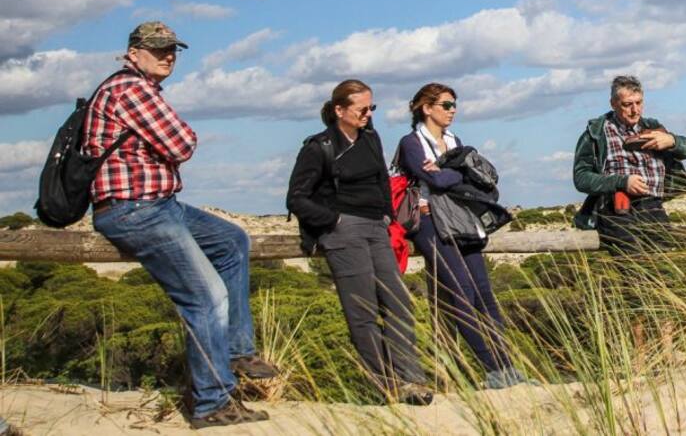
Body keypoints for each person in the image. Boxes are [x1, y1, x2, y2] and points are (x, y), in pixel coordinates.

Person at [84, 22, 276, 429]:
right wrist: (181, 135)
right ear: (133, 53)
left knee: (231, 240)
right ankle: (212, 402)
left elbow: (174, 142)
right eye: (157, 49)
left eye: (172, 49)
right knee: (206, 297)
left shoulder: (142, 89)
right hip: (135, 208)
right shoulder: (130, 90)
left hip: (159, 203)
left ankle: (238, 350)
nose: (168, 56)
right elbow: (182, 144)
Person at [285, 80, 433, 405]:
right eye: (362, 109)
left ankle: (412, 381)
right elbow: (297, 197)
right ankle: (382, 387)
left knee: (398, 303)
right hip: (343, 231)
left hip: (377, 228)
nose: (368, 114)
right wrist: (333, 221)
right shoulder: (318, 146)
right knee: (362, 311)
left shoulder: (370, 137)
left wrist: (385, 216)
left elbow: (381, 179)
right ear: (340, 110)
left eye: (372, 108)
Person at [395, 83, 527, 390]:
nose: (453, 110)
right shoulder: (411, 142)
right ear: (426, 108)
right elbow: (434, 179)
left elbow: (467, 179)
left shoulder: (455, 140)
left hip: (459, 218)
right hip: (430, 220)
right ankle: (492, 369)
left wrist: (448, 174)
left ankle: (508, 367)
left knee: (483, 293)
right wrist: (454, 173)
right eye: (446, 104)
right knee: (462, 294)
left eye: (454, 104)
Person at [573, 75, 686, 255]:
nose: (634, 110)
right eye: (627, 104)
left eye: (639, 103)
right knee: (633, 265)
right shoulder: (596, 134)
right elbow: (581, 178)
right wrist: (622, 182)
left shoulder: (653, 127)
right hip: (616, 209)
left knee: (665, 264)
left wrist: (672, 141)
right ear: (613, 103)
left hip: (653, 206)